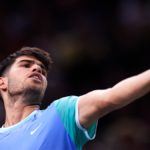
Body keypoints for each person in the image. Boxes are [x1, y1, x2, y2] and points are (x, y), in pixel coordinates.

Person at [0, 47, 149, 150]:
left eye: (43, 71)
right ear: (3, 83)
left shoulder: (60, 113)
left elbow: (110, 97)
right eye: (25, 65)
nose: (38, 69)